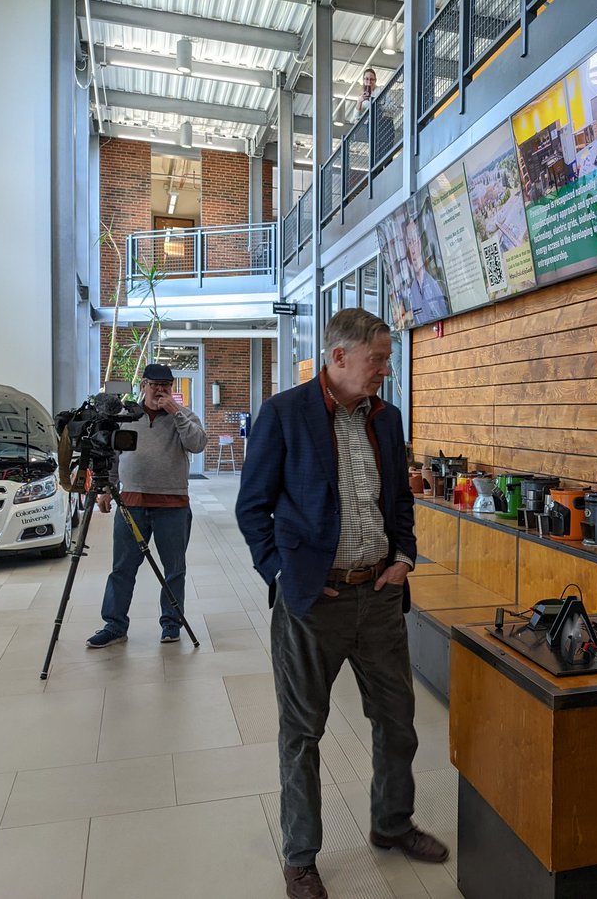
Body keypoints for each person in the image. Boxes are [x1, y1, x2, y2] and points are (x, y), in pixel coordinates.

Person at [236, 309, 448, 899]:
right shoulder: (284, 415)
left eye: (386, 358)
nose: (385, 369)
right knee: (302, 732)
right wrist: (280, 575)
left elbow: (400, 500)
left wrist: (405, 555)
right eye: (377, 359)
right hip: (313, 602)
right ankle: (301, 857)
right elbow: (252, 508)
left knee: (398, 720)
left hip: (379, 596)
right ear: (338, 357)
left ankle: (392, 823)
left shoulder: (387, 419)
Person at [86, 363, 207, 648]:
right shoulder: (126, 416)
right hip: (131, 504)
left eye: (166, 385)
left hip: (173, 505)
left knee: (174, 569)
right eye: (154, 385)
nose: (160, 390)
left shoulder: (185, 416)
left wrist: (175, 412)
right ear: (144, 385)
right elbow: (113, 455)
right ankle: (114, 625)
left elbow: (198, 444)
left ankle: (171, 624)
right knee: (123, 568)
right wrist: (105, 489)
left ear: (172, 388)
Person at [403, 215, 449, 323]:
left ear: (421, 243)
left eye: (415, 241)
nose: (413, 250)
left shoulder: (438, 282)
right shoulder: (412, 290)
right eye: (410, 243)